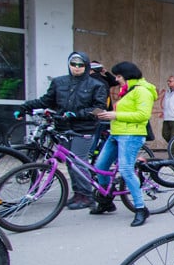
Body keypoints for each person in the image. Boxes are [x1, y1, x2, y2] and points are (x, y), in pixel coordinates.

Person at [17, 51, 108, 210]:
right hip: (63, 128)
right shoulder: (59, 82)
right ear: (69, 65)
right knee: (70, 163)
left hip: (84, 129)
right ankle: (78, 193)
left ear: (86, 66)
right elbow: (46, 101)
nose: (77, 68)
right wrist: (25, 107)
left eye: (80, 65)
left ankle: (87, 196)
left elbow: (99, 110)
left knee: (78, 161)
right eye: (73, 64)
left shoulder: (97, 85)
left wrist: (77, 114)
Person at [91, 61, 157, 226]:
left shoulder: (142, 91)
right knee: (100, 166)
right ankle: (106, 201)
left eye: (119, 76)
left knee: (126, 170)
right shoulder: (128, 90)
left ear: (128, 76)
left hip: (132, 135)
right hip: (117, 133)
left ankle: (140, 208)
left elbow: (143, 115)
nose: (117, 79)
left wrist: (115, 115)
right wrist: (109, 115)